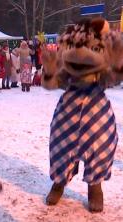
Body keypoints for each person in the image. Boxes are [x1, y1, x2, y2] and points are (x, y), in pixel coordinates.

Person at [42, 18, 119, 213]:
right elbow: (53, 84)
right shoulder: (67, 69)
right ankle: (59, 182)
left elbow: (111, 79)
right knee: (60, 145)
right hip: (68, 109)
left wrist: (118, 64)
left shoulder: (101, 71)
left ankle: (95, 187)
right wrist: (50, 71)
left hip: (96, 109)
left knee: (100, 146)